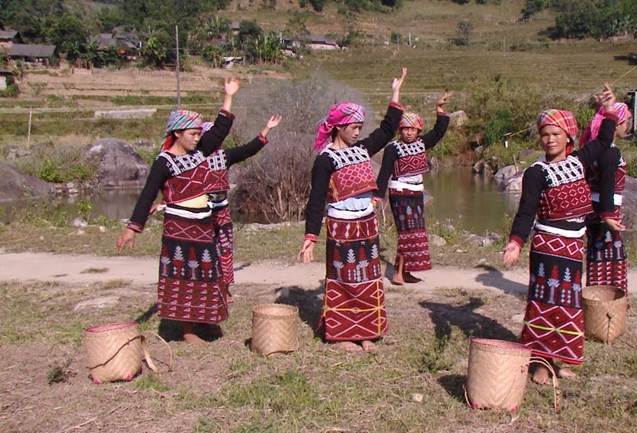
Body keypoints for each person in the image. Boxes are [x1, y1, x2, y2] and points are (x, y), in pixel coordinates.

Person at [116, 77, 282, 344]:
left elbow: (221, 129)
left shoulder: (200, 151)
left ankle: (204, 321)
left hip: (203, 225)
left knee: (207, 274)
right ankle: (187, 330)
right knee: (184, 277)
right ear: (178, 133)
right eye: (193, 134)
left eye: (198, 134)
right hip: (179, 228)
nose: (198, 138)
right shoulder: (165, 162)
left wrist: (228, 96)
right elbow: (148, 194)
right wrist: (132, 228)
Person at [503, 84, 623, 383]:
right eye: (545, 134)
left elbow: (606, 138)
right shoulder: (536, 173)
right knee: (545, 302)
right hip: (547, 246)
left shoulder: (579, 162)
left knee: (568, 304)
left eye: (555, 134)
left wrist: (609, 110)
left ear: (568, 136)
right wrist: (516, 242)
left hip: (573, 246)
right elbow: (526, 211)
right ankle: (541, 363)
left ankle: (557, 360)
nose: (550, 139)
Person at [299, 68, 407, 353]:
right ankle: (341, 334)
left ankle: (367, 331)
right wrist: (310, 237)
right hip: (341, 226)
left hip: (366, 224)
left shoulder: (361, 149)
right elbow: (316, 200)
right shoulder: (326, 160)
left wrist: (395, 92)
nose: (358, 131)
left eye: (360, 127)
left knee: (368, 276)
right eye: (353, 127)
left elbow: (386, 130)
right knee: (345, 278)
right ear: (338, 127)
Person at [375, 92, 451, 285]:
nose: (409, 132)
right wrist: (378, 196)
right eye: (405, 129)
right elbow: (384, 172)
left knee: (415, 231)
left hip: (417, 194)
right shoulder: (393, 148)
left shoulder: (422, 144)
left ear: (418, 131)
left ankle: (406, 271)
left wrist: (439, 109)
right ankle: (398, 273)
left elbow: (439, 131)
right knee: (406, 233)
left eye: (413, 129)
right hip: (399, 193)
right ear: (400, 130)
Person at [579, 101, 631, 292]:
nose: (627, 126)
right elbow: (607, 184)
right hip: (605, 210)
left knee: (597, 255)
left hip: (594, 209)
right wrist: (608, 215)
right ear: (616, 124)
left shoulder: (594, 149)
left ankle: (596, 295)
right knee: (610, 255)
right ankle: (608, 300)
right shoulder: (610, 152)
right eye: (625, 122)